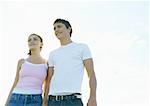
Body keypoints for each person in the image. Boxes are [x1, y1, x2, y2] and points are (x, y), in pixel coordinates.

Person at [43, 19, 97, 106]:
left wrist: (93, 97)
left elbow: (91, 74)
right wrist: (45, 101)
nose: (56, 30)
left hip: (73, 101)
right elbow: (49, 79)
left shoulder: (82, 48)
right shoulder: (53, 54)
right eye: (54, 28)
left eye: (59, 26)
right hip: (53, 101)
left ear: (69, 29)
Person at [5, 33, 48, 106]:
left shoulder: (46, 64)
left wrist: (44, 103)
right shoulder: (22, 62)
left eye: (35, 39)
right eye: (29, 40)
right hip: (16, 98)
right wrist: (6, 103)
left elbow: (47, 86)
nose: (32, 41)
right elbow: (15, 83)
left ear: (41, 44)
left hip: (35, 100)